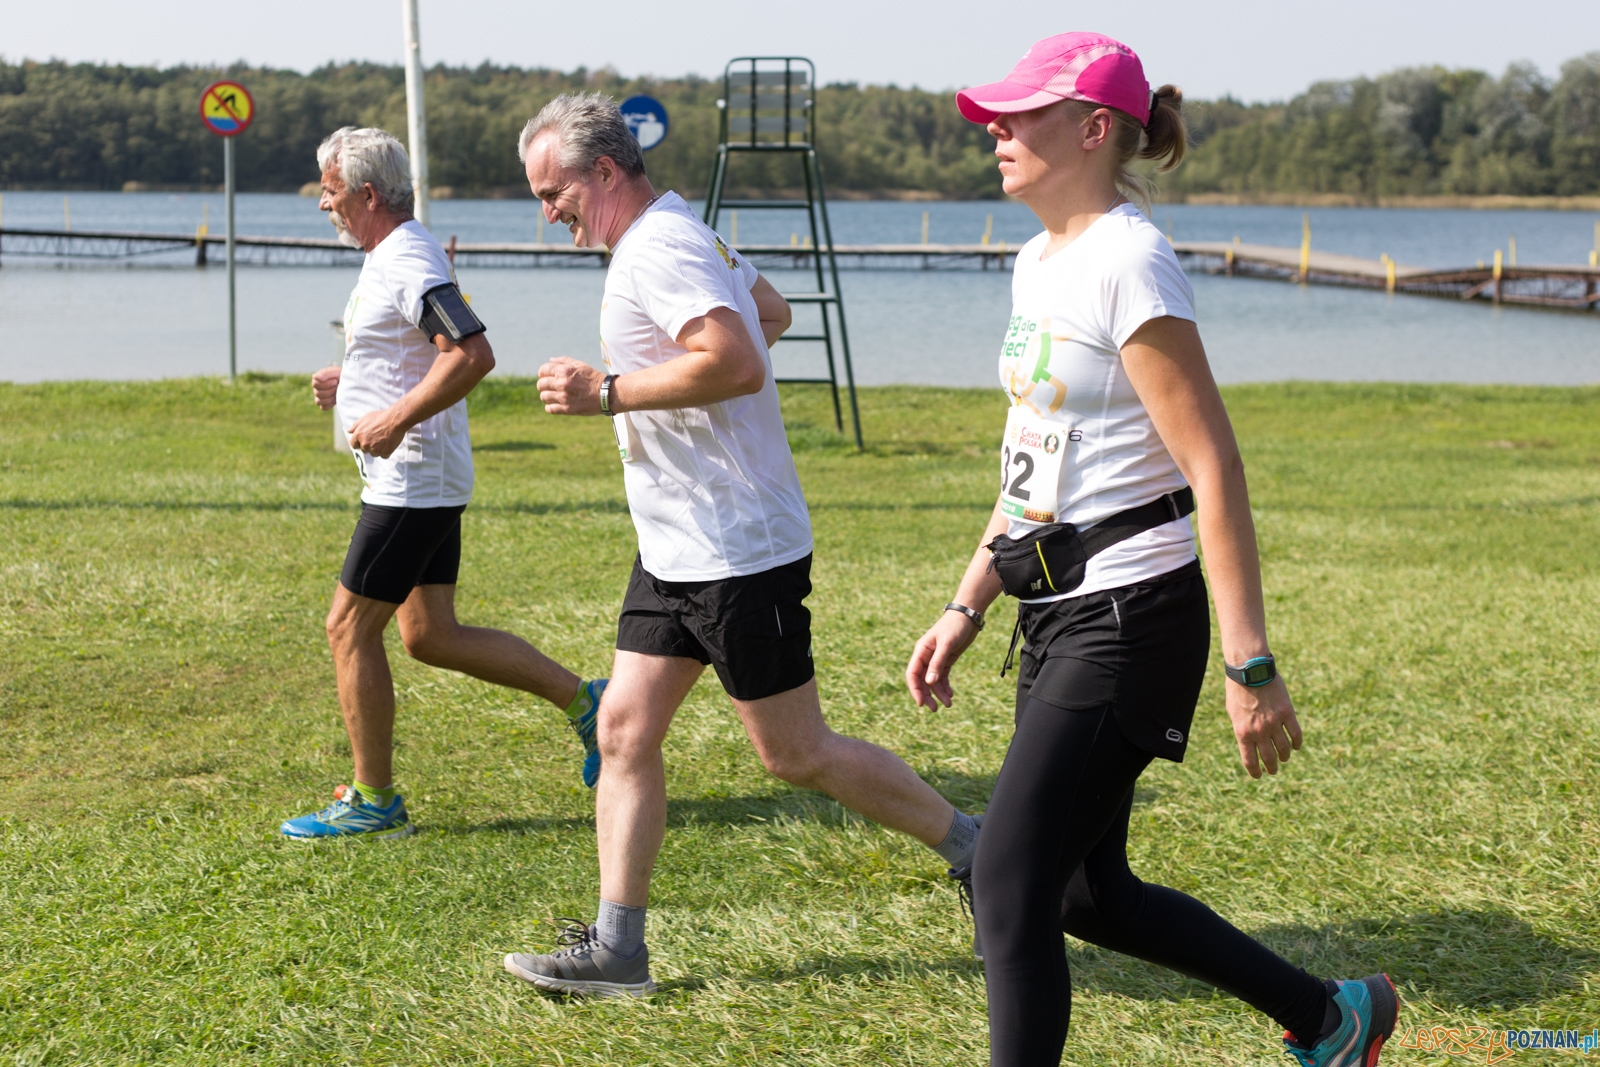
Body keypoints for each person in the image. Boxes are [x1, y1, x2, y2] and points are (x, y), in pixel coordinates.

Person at [903, 33, 1398, 1067]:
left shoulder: (1131, 260)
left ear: (1090, 130)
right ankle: (1332, 1016)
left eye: (1019, 115)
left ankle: (1330, 1019)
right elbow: (1032, 461)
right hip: (1054, 608)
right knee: (1086, 888)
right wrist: (967, 602)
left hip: (1131, 617)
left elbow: (1210, 465)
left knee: (1005, 879)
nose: (995, 131)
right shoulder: (1036, 261)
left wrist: (1249, 663)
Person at [500, 93, 982, 997]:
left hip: (735, 550)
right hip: (677, 545)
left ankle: (978, 852)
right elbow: (775, 309)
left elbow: (741, 357)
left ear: (604, 172)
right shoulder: (686, 232)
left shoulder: (663, 245)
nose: (547, 210)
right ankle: (618, 949)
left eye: (551, 189)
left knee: (795, 753)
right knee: (623, 727)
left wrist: (608, 391)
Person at [280, 126, 608, 841]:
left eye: (330, 192)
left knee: (346, 628)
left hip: (411, 481)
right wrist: (356, 381)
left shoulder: (407, 257)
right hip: (421, 477)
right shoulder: (391, 256)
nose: (324, 206)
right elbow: (413, 349)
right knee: (430, 634)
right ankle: (588, 704)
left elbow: (470, 353)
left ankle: (374, 801)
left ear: (366, 194)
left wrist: (395, 417)